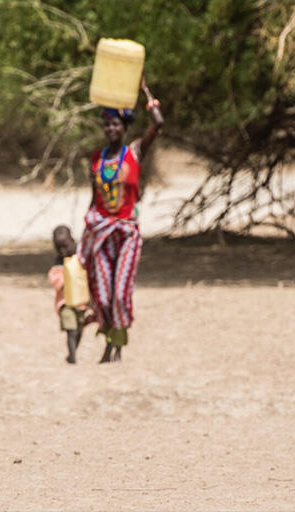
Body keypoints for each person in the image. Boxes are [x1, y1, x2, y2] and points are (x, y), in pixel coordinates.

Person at [77, 74, 163, 363]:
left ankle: (115, 347)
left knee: (119, 292)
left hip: (126, 232)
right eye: (107, 124)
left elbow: (159, 124)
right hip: (101, 231)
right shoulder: (96, 159)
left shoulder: (135, 152)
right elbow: (94, 198)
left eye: (115, 124)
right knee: (101, 293)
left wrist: (144, 90)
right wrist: (85, 233)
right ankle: (107, 337)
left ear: (124, 127)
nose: (110, 128)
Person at [47, 225, 94, 364]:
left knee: (79, 329)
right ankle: (72, 356)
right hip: (65, 303)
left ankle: (72, 353)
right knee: (71, 329)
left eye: (65, 246)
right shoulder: (59, 263)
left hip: (81, 302)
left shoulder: (80, 258)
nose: (62, 251)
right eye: (58, 248)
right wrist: (63, 281)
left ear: (72, 241)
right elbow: (54, 277)